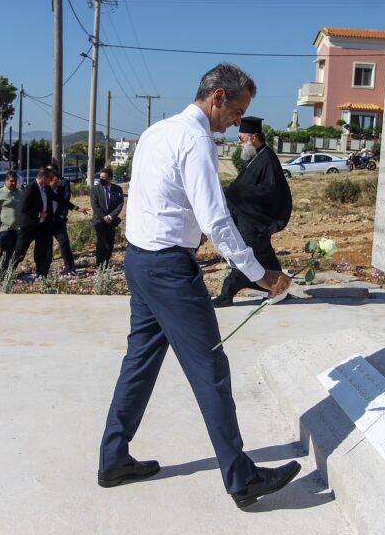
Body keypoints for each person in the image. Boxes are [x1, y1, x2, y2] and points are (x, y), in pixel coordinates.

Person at [97, 63, 299, 509]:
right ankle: (241, 479)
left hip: (140, 260)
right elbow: (217, 219)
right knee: (211, 369)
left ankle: (114, 459)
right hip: (169, 271)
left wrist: (187, 230)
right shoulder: (196, 139)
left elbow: (155, 196)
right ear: (218, 97)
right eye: (237, 110)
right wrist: (260, 275)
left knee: (140, 363)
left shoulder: (157, 131)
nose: (237, 121)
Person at [212, 116, 292, 307]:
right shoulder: (258, 156)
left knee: (245, 254)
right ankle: (280, 286)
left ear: (253, 138)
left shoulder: (268, 159)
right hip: (249, 217)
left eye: (241, 138)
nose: (239, 143)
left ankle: (227, 292)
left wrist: (235, 192)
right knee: (263, 257)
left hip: (255, 219)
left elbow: (270, 190)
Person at [11, 167, 88, 277]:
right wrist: (38, 214)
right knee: (20, 252)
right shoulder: (30, 188)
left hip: (41, 226)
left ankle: (41, 274)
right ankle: (6, 275)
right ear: (43, 178)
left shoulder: (46, 189)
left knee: (42, 252)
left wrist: (76, 208)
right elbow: (23, 208)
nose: (51, 180)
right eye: (49, 178)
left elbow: (59, 200)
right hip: (28, 226)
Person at [47, 163, 79, 276]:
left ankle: (70, 268)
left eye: (52, 171)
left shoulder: (63, 183)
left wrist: (76, 208)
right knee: (46, 245)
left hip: (59, 219)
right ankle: (44, 268)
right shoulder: (44, 187)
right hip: (46, 221)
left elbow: (65, 200)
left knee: (64, 243)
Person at [90, 167, 124, 269]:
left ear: (110, 178)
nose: (101, 179)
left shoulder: (117, 189)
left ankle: (106, 261)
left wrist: (110, 216)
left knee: (110, 243)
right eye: (100, 177)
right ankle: (100, 265)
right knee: (101, 243)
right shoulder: (95, 189)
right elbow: (94, 205)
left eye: (104, 178)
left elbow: (120, 203)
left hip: (111, 221)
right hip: (99, 220)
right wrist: (103, 216)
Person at [0, 171, 21, 272]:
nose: (13, 183)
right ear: (6, 180)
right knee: (5, 253)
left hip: (17, 229)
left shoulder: (20, 193)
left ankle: (10, 273)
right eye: (11, 181)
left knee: (16, 253)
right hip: (5, 229)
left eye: (15, 181)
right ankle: (1, 274)